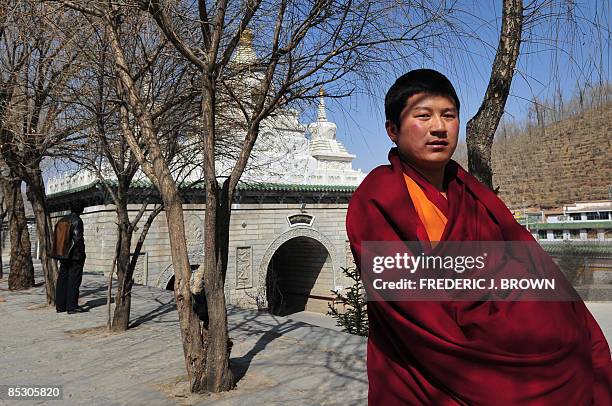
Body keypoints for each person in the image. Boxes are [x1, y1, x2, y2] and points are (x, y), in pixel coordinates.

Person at [346, 69, 611, 404]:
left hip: (506, 334)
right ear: (392, 130)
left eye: (449, 115)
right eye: (423, 116)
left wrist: (557, 318)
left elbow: (531, 263)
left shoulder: (470, 192)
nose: (439, 127)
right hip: (428, 367)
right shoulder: (379, 198)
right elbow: (410, 308)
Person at [54, 202, 87, 314]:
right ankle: (71, 307)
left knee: (62, 280)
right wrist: (82, 253)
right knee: (73, 281)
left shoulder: (61, 220)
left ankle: (60, 306)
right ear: (81, 210)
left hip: (63, 254)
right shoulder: (77, 220)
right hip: (75, 256)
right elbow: (78, 239)